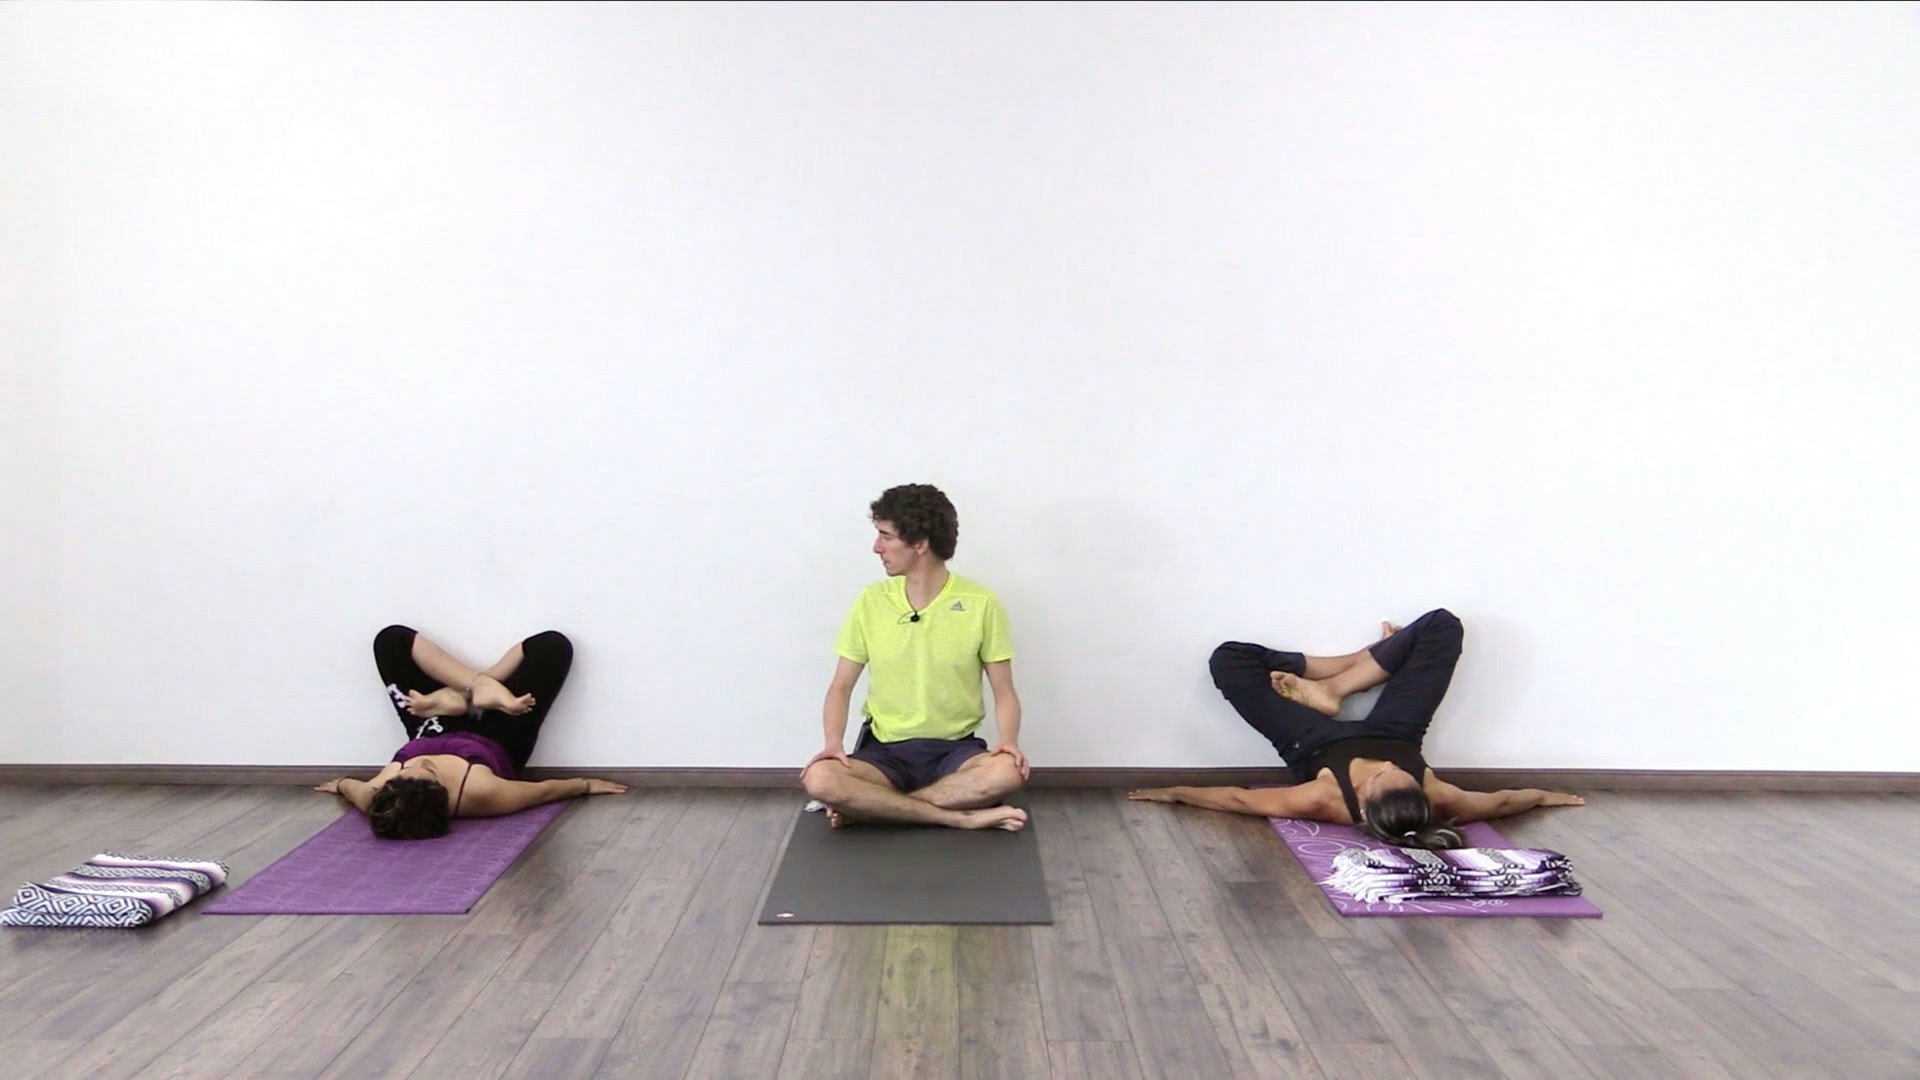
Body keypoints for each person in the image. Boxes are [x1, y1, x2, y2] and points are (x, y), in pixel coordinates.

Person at [1128, 609, 1583, 848]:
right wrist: (1545, 796)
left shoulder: (1326, 801)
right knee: (1442, 626)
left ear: (1362, 805)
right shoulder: (1440, 797)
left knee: (1230, 658)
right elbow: (1502, 802)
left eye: (1382, 776)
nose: (1386, 766)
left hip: (1311, 739)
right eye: (1401, 773)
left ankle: (1363, 666)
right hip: (1397, 731)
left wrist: (1176, 792)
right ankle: (1346, 678)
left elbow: (1239, 800)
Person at [800, 484, 1030, 831]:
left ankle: (873, 808)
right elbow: (841, 686)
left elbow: (1004, 690)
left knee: (1007, 771)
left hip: (955, 753)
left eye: (886, 536)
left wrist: (1008, 741)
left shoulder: (981, 603)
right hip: (883, 755)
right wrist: (833, 743)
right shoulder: (870, 600)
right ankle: (957, 816)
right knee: (820, 778)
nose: (876, 547)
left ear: (920, 544)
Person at [314, 625, 627, 839]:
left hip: (432, 723)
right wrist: (585, 785)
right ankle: (478, 691)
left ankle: (473, 689)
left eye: (405, 771)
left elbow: (352, 788)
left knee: (390, 640)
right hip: (500, 732)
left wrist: (339, 783)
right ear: (443, 795)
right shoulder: (482, 794)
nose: (422, 763)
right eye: (430, 772)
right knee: (551, 645)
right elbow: (544, 791)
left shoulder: (377, 796)